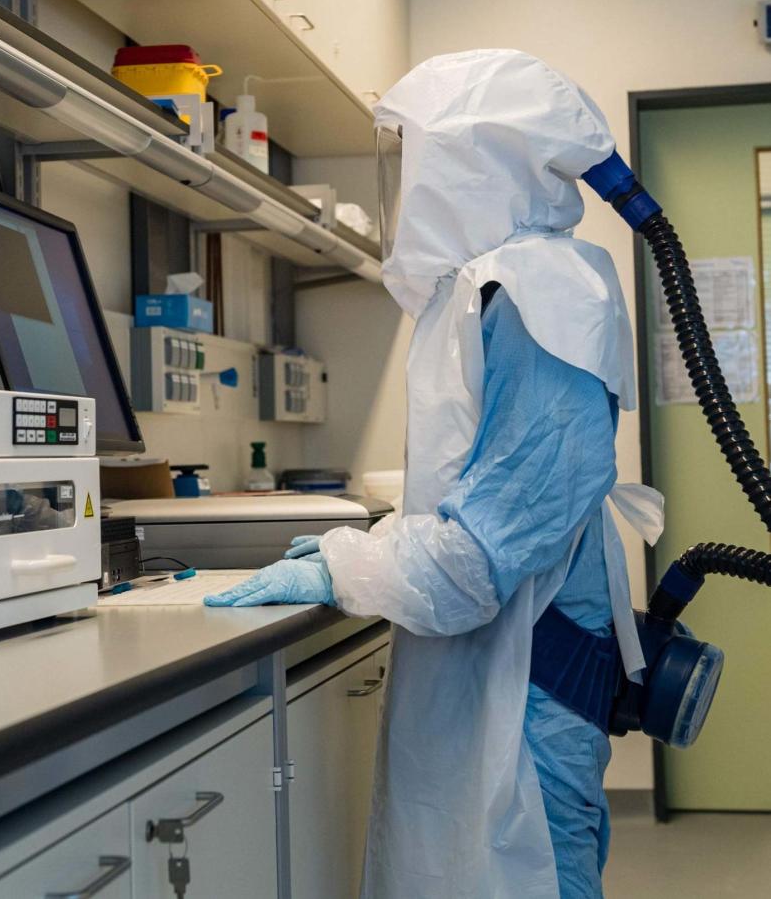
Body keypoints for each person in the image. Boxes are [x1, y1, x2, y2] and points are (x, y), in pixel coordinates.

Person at [205, 49, 663, 898]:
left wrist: (346, 562)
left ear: (475, 158)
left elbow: (477, 562)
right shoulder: (494, 289)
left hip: (528, 693)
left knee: (518, 872)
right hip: (507, 673)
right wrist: (372, 547)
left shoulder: (540, 296)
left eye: (415, 155)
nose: (402, 185)